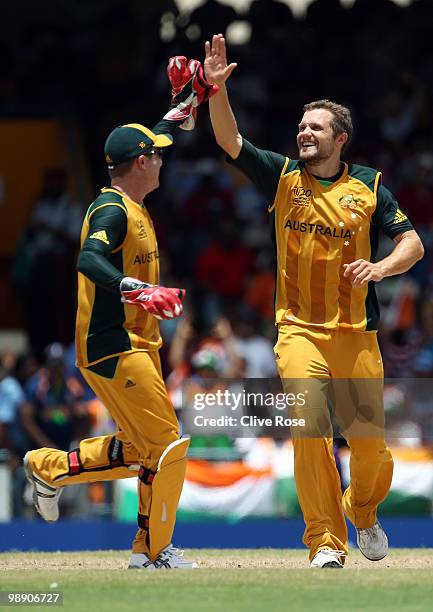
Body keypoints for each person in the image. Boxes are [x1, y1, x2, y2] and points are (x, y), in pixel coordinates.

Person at [203, 34, 424, 568]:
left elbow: (413, 244)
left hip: (356, 337)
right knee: (310, 430)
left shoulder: (371, 187)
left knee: (370, 451)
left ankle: (362, 510)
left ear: (340, 138)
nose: (304, 131)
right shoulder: (282, 178)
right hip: (298, 331)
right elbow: (231, 141)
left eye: (316, 127)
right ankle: (325, 540)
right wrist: (215, 91)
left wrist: (379, 268)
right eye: (301, 126)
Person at [23, 57, 218, 570]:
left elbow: (166, 127)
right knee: (168, 445)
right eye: (155, 156)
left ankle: (49, 467)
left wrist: (195, 93)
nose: (163, 160)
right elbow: (88, 258)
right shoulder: (111, 210)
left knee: (142, 448)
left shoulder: (130, 197)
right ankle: (153, 552)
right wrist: (137, 289)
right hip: (115, 343)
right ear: (138, 164)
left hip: (139, 343)